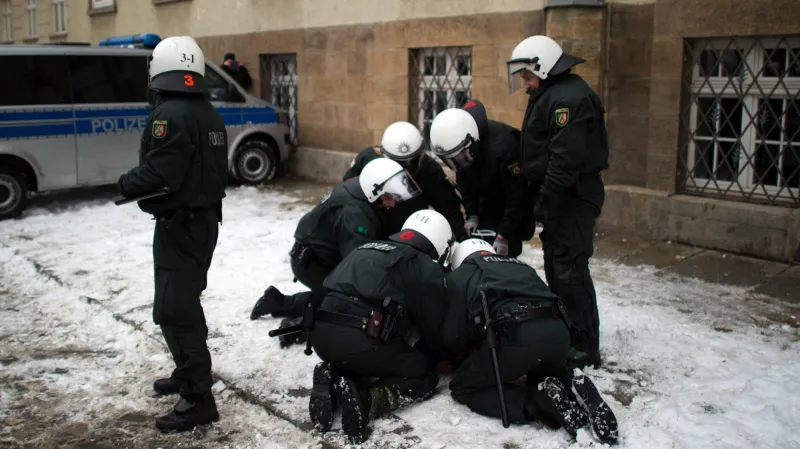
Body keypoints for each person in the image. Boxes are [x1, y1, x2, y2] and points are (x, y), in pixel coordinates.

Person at [117, 36, 228, 432]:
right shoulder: (206, 112)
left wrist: (126, 182)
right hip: (200, 224)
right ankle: (187, 375)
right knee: (180, 304)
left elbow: (162, 172)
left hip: (181, 226)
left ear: (159, 70)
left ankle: (198, 397)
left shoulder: (171, 115)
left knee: (175, 310)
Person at [442, 238, 618, 445]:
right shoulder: (521, 266)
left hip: (517, 335)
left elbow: (453, 336)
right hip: (559, 332)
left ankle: (537, 404)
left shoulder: (461, 275)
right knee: (544, 372)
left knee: (464, 387)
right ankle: (571, 384)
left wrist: (466, 354)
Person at [307, 209, 454, 444]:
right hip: (359, 338)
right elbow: (433, 326)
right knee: (421, 372)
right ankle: (367, 400)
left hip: (319, 335)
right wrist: (442, 356)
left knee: (364, 355)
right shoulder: (425, 266)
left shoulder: (367, 247)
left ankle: (334, 376)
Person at [506, 35, 609, 368]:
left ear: (544, 66)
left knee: (569, 271)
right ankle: (572, 333)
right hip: (562, 198)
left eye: (526, 73)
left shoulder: (569, 100)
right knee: (559, 267)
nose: (523, 80)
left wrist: (545, 202)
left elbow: (564, 161)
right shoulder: (553, 93)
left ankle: (584, 345)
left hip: (572, 198)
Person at [249, 158, 422, 327]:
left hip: (326, 254)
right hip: (312, 263)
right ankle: (282, 304)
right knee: (346, 302)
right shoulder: (355, 214)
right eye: (389, 197)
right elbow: (359, 265)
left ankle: (285, 302)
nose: (393, 204)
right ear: (375, 191)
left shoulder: (363, 189)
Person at [429, 100, 535, 258]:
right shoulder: (461, 152)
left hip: (510, 206)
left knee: (505, 254)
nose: (457, 161)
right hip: (486, 202)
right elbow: (465, 184)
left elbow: (517, 196)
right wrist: (472, 214)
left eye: (459, 157)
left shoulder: (505, 147)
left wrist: (504, 235)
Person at [343, 121, 468, 241]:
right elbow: (347, 193)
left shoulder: (430, 170)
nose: (406, 169)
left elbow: (450, 210)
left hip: (407, 237)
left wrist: (461, 241)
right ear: (384, 156)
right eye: (399, 163)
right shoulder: (367, 159)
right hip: (369, 229)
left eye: (412, 162)